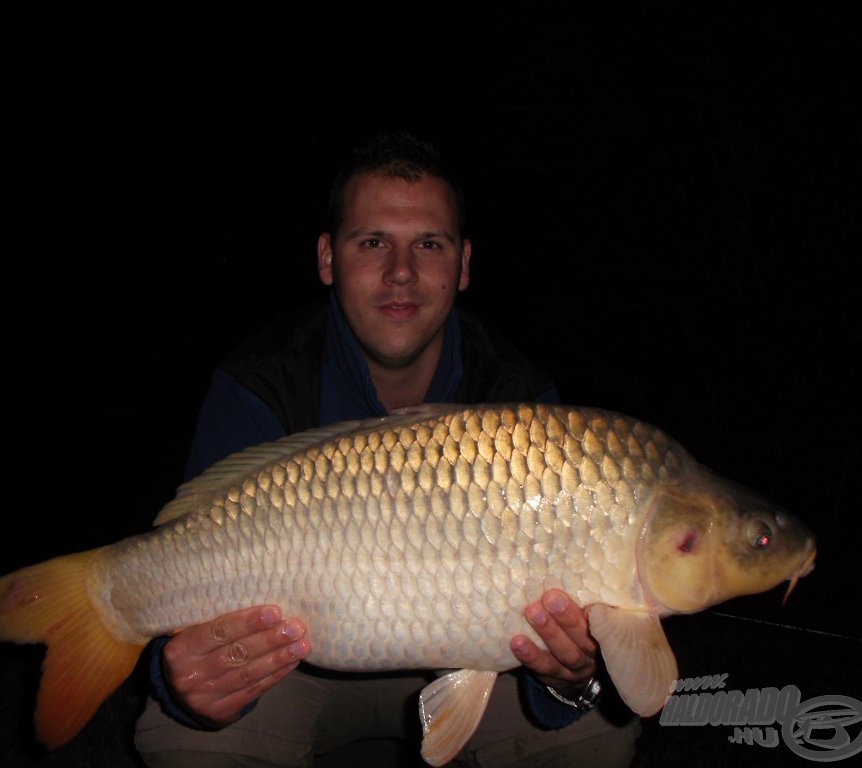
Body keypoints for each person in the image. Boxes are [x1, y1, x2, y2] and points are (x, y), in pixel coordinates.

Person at [134, 130, 642, 767]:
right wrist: (181, 680)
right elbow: (187, 566)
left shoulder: (521, 403)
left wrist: (568, 678)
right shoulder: (259, 387)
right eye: (372, 242)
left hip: (482, 657)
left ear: (462, 266)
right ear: (327, 259)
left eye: (428, 244)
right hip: (297, 659)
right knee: (182, 739)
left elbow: (577, 670)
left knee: (595, 737)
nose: (401, 272)